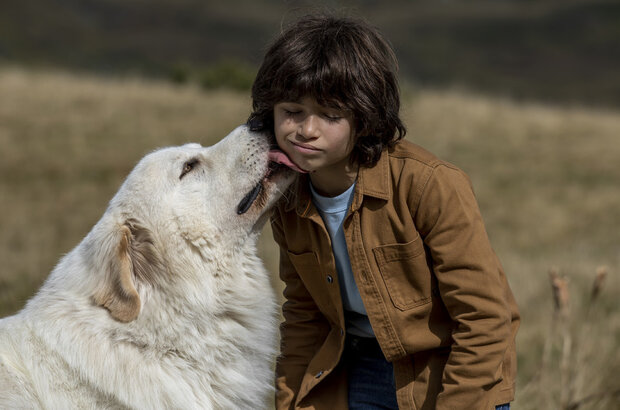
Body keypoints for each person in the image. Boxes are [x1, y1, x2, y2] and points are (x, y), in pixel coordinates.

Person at [248, 13, 519, 410]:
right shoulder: (289, 198)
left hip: (448, 371)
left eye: (330, 115)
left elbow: (485, 320)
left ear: (365, 118)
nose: (306, 129)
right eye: (292, 110)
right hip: (354, 366)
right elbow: (304, 316)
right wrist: (290, 402)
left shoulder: (429, 185)